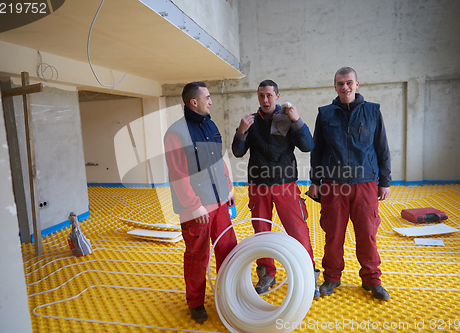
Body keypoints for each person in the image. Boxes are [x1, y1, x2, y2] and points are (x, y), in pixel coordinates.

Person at [232, 79, 320, 299]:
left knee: (298, 231)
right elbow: (237, 152)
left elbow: (308, 145)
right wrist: (241, 132)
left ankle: (308, 274)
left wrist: (297, 120)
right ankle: (266, 274)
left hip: (286, 185)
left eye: (269, 95)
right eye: (261, 95)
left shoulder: (288, 119)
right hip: (258, 187)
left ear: (277, 96)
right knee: (261, 233)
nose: (265, 100)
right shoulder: (251, 122)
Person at [309, 67, 391, 300]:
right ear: (334, 86)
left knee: (367, 233)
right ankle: (332, 278)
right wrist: (315, 180)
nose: (344, 87)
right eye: (340, 83)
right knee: (333, 234)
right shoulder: (325, 114)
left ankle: (372, 280)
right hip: (333, 184)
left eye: (348, 83)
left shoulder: (373, 111)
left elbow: (382, 148)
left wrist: (384, 181)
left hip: (365, 183)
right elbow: (317, 150)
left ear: (357, 84)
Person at [164, 82, 238, 323]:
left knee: (227, 250)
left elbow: (219, 160)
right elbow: (178, 174)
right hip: (196, 208)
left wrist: (228, 187)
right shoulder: (176, 133)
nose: (211, 101)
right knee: (198, 257)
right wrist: (194, 205)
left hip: (219, 203)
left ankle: (228, 294)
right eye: (207, 97)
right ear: (193, 102)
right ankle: (195, 303)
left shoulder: (210, 124)